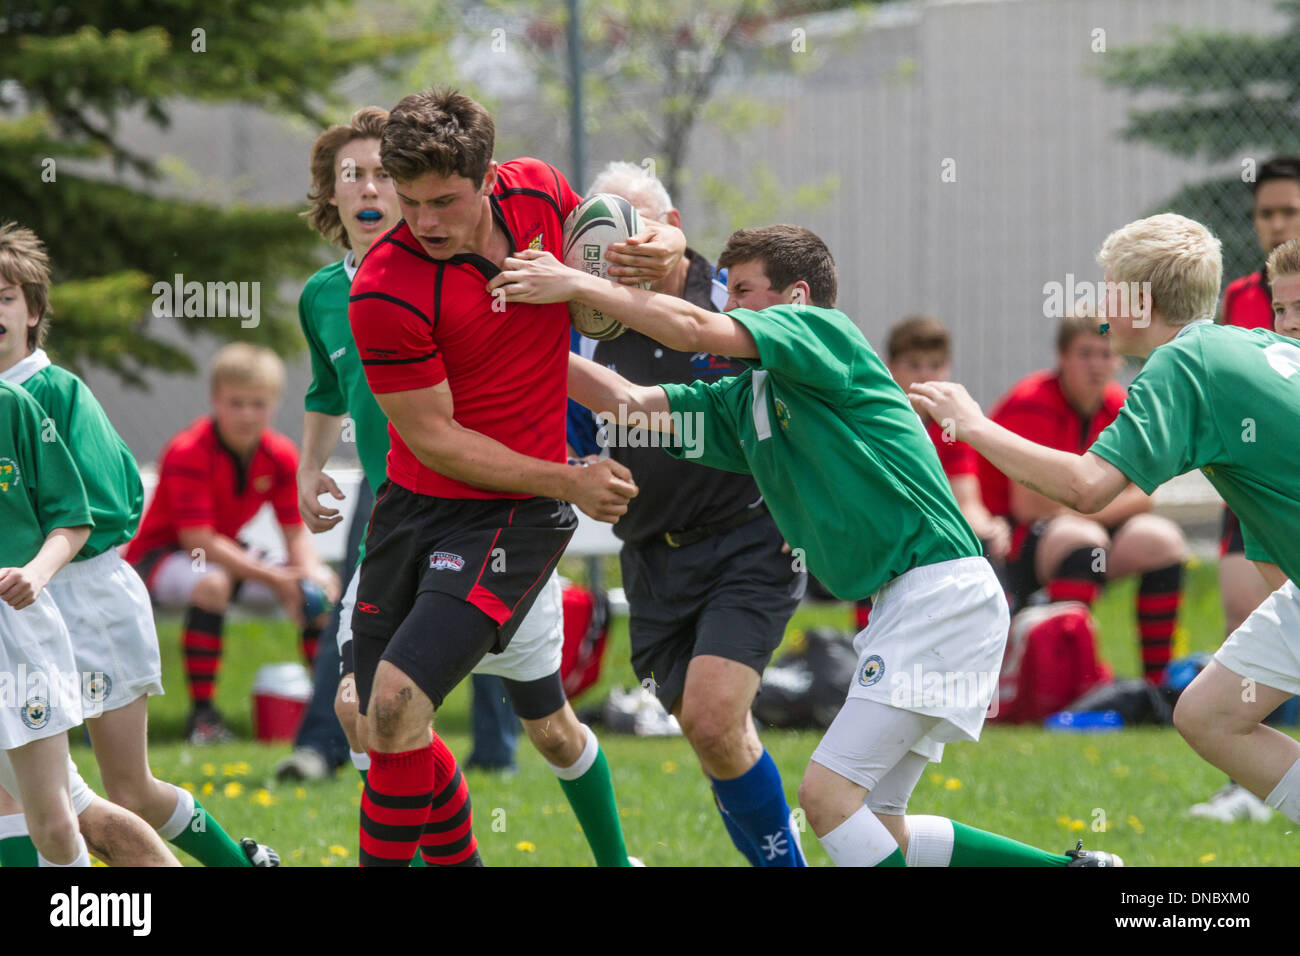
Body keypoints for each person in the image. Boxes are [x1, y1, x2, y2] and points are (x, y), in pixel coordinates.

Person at [495, 222, 1120, 867]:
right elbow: (627, 402)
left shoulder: (823, 331)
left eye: (742, 291)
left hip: (939, 594)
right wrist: (511, 340)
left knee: (826, 800)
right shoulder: (748, 398)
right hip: (911, 603)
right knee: (879, 821)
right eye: (727, 291)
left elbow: (691, 330)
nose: (727, 304)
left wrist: (573, 283)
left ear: (794, 297)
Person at [346, 87, 685, 866]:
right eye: (410, 202)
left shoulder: (538, 191)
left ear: (490, 175)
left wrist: (666, 247)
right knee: (382, 725)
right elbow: (436, 441)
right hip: (417, 506)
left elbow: (636, 248)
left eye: (444, 201)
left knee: (399, 702)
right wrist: (571, 478)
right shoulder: (384, 290)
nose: (424, 222)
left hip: (514, 513)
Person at [910, 215, 1300, 844]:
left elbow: (1087, 488)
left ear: (1140, 302)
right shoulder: (1249, 345)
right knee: (1207, 714)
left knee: (1210, 717)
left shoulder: (1184, 363)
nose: (1095, 305)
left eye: (1107, 288)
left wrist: (972, 424)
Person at [0, 223, 279, 866]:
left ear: (34, 310)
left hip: (84, 598)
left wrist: (37, 561)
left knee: (127, 789)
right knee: (30, 795)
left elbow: (103, 508)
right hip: (21, 613)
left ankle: (240, 864)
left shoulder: (58, 393)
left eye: (7, 296)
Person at [574, 161, 808, 866]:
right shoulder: (587, 326)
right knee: (717, 739)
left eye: (634, 232)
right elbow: (569, 431)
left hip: (751, 540)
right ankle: (780, 851)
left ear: (672, 231)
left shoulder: (734, 300)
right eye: (601, 241)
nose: (617, 255)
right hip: (650, 556)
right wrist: (579, 468)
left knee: (712, 716)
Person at [124, 343, 340, 744]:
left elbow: (295, 533)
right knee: (213, 583)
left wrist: (309, 575)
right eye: (235, 403)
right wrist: (277, 580)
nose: (246, 414)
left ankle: (327, 713)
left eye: (257, 404)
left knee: (318, 589)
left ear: (274, 404)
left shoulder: (279, 453)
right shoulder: (189, 450)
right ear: (215, 400)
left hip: (223, 555)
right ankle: (203, 719)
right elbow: (197, 541)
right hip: (162, 557)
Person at [979, 315, 1187, 684]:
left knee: (1162, 541)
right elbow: (1029, 507)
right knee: (1081, 541)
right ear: (1061, 357)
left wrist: (1085, 507)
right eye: (1084, 354)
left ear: (1119, 359)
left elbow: (1144, 495)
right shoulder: (1033, 401)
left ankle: (1158, 689)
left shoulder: (1120, 406)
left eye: (1105, 354)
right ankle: (1066, 680)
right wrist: (1096, 509)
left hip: (1085, 534)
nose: (1096, 365)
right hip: (1008, 544)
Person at [1191, 157, 1300, 822]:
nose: (1277, 222)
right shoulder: (1241, 297)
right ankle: (1250, 781)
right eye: (1266, 213)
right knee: (1246, 622)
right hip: (1256, 496)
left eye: (1290, 210)